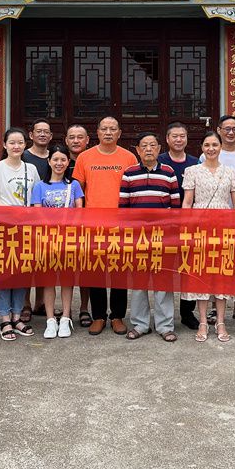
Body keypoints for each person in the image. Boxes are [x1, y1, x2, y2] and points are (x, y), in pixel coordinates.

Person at [73, 116, 135, 336]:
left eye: (113, 129)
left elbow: (133, 189)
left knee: (119, 271)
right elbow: (77, 191)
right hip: (93, 225)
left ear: (119, 133)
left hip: (121, 224)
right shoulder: (85, 157)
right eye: (104, 129)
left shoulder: (129, 157)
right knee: (96, 270)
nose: (108, 133)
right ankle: (98, 316)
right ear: (97, 132)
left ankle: (117, 316)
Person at [0, 127, 40, 341]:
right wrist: (11, 212)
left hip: (26, 229)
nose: (16, 146)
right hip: (3, 228)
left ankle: (17, 316)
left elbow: (36, 197)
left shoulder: (31, 169)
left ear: (25, 145)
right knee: (4, 274)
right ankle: (5, 318)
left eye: (20, 142)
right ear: (4, 145)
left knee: (22, 273)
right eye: (12, 142)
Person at [182, 131, 235, 343]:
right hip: (199, 228)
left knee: (221, 275)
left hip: (224, 229)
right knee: (201, 275)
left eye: (215, 144)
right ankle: (202, 322)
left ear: (220, 147)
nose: (211, 149)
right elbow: (187, 202)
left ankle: (221, 322)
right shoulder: (192, 171)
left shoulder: (230, 172)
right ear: (202, 148)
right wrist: (187, 229)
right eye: (207, 145)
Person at [120, 133, 180, 342]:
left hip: (162, 238)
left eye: (152, 145)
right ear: (137, 150)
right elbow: (123, 209)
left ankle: (165, 326)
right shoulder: (129, 174)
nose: (148, 149)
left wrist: (171, 235)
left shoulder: (169, 172)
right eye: (144, 146)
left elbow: (175, 208)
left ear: (159, 149)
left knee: (163, 282)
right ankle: (140, 324)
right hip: (138, 238)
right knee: (139, 283)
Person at [200, 115, 235, 325]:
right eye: (227, 129)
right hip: (213, 219)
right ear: (219, 130)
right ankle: (215, 309)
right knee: (215, 262)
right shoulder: (208, 153)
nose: (231, 132)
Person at [31, 144, 84, 339]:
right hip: (47, 239)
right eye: (55, 159)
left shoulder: (74, 185)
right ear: (49, 161)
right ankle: (50, 320)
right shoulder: (40, 186)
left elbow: (80, 212)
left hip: (69, 238)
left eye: (63, 160)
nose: (59, 163)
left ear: (68, 162)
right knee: (49, 280)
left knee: (67, 279)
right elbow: (37, 213)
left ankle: (66, 318)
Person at [160, 122, 200, 330]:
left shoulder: (195, 163)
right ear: (167, 139)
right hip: (165, 225)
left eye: (182, 136)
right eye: (174, 136)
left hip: (190, 224)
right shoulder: (160, 161)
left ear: (186, 138)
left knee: (188, 268)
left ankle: (187, 312)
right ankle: (163, 315)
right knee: (165, 268)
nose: (178, 139)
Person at [21, 119, 53, 321]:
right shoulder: (23, 156)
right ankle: (25, 303)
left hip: (49, 218)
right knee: (27, 262)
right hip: (27, 216)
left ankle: (40, 302)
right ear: (31, 135)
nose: (42, 134)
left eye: (46, 132)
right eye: (38, 131)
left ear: (51, 136)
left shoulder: (55, 157)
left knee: (44, 261)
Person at [64, 124, 92, 326]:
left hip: (87, 221)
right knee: (65, 267)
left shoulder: (92, 159)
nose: (76, 141)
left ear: (87, 140)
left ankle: (84, 308)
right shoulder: (58, 159)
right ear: (66, 140)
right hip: (63, 223)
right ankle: (43, 305)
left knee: (85, 268)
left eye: (80, 137)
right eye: (72, 137)